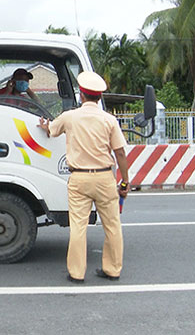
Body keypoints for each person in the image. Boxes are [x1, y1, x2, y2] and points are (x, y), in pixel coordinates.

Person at [37, 71, 130, 283]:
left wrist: (45, 127)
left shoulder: (70, 117)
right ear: (99, 96)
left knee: (78, 226)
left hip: (79, 179)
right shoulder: (109, 120)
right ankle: (112, 270)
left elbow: (51, 130)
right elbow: (121, 153)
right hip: (105, 178)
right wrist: (124, 181)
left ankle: (77, 273)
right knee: (112, 225)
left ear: (81, 95)